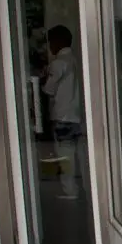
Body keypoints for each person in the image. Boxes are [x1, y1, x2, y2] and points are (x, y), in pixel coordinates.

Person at [42, 25, 86, 200]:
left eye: (50, 43)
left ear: (57, 42)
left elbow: (49, 90)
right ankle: (85, 187)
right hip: (77, 115)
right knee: (80, 154)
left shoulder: (58, 63)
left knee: (64, 156)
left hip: (62, 116)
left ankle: (70, 190)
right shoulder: (75, 60)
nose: (49, 47)